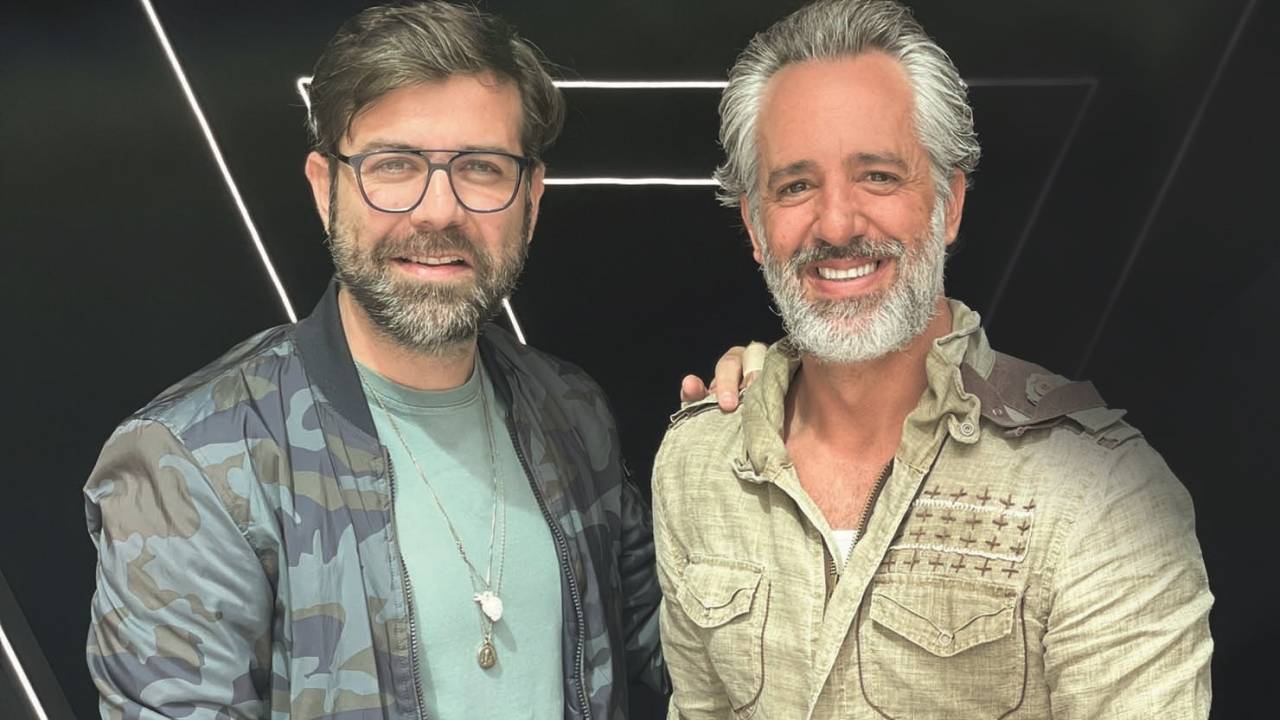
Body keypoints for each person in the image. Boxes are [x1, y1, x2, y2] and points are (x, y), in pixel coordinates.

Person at [83, 3, 668, 718]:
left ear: (531, 199)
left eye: (481, 168)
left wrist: (772, 421)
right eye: (395, 165)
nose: (438, 211)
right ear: (324, 188)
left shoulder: (572, 412)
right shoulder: (193, 462)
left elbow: (692, 651)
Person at [652, 1, 1213, 717]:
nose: (836, 223)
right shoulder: (694, 465)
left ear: (948, 206)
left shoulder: (1100, 493)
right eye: (795, 185)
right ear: (756, 230)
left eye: (878, 176)